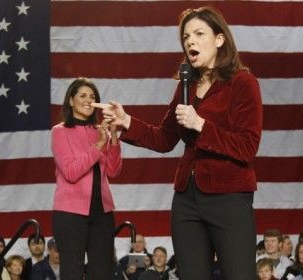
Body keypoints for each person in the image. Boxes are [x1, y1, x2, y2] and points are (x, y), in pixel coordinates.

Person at [94, 6, 263, 280]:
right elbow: (164, 138)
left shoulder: (243, 83)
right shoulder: (186, 86)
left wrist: (201, 125)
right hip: (187, 200)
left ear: (220, 39)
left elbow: (247, 146)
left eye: (198, 34)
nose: (190, 42)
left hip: (229, 198)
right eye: (186, 37)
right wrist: (127, 121)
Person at [51, 77, 123, 279]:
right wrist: (99, 145)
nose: (88, 100)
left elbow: (114, 171)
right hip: (70, 214)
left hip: (102, 213)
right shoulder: (60, 131)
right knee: (72, 272)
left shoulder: (101, 131)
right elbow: (71, 173)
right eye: (82, 95)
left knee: (102, 272)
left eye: (92, 96)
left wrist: (114, 136)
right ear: (71, 101)